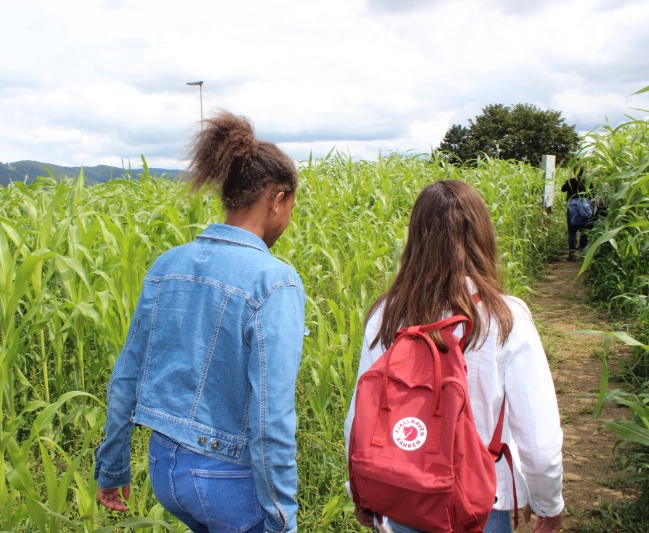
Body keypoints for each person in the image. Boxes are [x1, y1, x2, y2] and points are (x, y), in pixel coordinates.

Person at [94, 110, 305, 533]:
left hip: (164, 468)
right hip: (226, 477)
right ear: (277, 199)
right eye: (290, 207)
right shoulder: (273, 281)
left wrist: (113, 465)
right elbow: (271, 418)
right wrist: (283, 518)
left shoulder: (167, 265)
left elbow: (126, 376)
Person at [344, 180, 564, 533]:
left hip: (403, 496)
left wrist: (361, 490)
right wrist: (548, 504)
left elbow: (360, 417)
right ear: (481, 236)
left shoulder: (387, 314)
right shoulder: (505, 318)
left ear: (416, 238)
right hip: (481, 504)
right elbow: (539, 440)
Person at [561, 167, 589, 261]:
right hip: (584, 207)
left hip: (572, 207)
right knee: (584, 230)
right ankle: (583, 253)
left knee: (572, 231)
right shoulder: (587, 181)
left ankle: (572, 254)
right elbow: (592, 192)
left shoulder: (571, 181)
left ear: (574, 172)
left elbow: (563, 189)